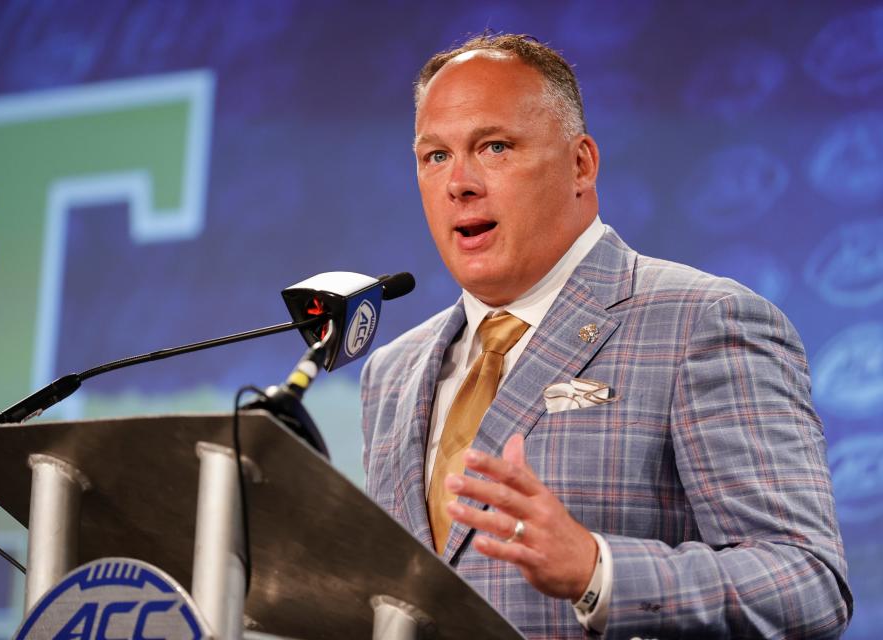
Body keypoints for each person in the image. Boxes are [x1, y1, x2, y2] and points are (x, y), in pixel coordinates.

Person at [360, 33, 852, 639]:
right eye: (435, 156)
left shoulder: (702, 321)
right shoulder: (393, 371)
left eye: (494, 146)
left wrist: (599, 569)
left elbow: (805, 583)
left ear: (581, 164)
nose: (458, 182)